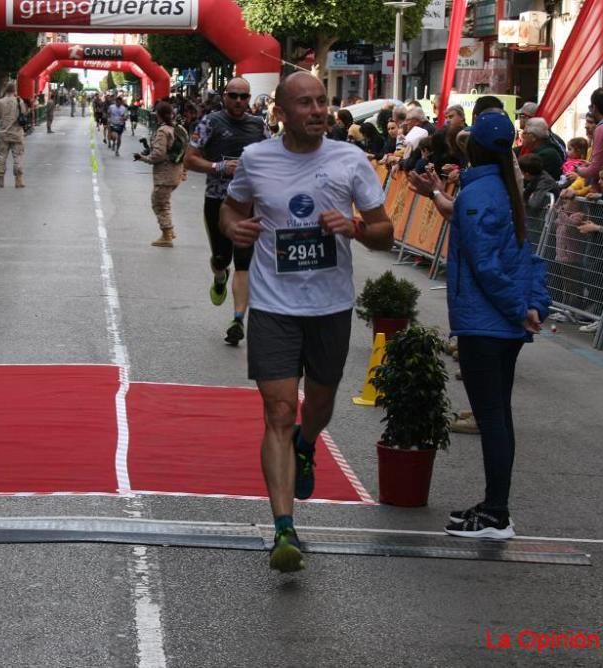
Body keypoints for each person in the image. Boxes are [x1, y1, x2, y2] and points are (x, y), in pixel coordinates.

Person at [219, 72, 394, 572]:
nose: (318, 110)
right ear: (281, 111)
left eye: (323, 101)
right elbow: (229, 213)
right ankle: (283, 529)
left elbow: (385, 232)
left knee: (317, 405)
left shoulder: (350, 159)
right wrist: (238, 229)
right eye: (306, 103)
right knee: (277, 412)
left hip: (330, 308)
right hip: (274, 307)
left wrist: (356, 227)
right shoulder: (257, 159)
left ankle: (307, 443)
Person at [443, 110, 551, 540]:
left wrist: (519, 308)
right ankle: (494, 506)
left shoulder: (480, 195)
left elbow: (487, 265)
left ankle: (497, 513)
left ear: (472, 149)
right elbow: (522, 255)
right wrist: (532, 304)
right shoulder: (506, 190)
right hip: (499, 322)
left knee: (492, 419)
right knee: (497, 416)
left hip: (485, 323)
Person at [184, 76, 270, 346]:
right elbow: (189, 159)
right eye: (233, 95)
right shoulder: (211, 122)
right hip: (218, 201)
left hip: (248, 204)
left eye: (244, 97)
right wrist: (220, 168)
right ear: (224, 96)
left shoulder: (259, 125)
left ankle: (237, 319)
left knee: (244, 262)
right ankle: (220, 274)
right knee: (222, 258)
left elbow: (272, 158)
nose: (239, 101)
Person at [135, 102, 186, 247]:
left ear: (159, 115)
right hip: (176, 173)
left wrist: (143, 158)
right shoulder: (177, 129)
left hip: (164, 174)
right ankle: (169, 230)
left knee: (159, 204)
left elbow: (158, 155)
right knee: (165, 202)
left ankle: (167, 234)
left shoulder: (163, 131)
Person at [0, 83, 26, 188]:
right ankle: (18, 180)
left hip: (3, 132)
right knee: (18, 156)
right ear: (14, 90)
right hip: (16, 133)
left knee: (2, 156)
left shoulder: (0, 102)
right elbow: (24, 112)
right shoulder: (19, 101)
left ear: (5, 90)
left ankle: (0, 179)